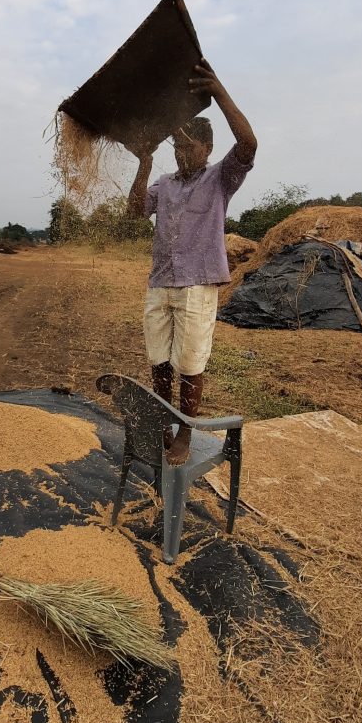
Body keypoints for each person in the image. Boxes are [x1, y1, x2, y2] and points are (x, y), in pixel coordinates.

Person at [126, 59, 258, 464]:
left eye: (190, 148)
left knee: (190, 362)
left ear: (208, 149)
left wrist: (217, 90)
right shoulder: (164, 185)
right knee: (159, 361)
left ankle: (185, 430)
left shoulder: (220, 178)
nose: (183, 154)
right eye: (178, 148)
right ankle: (163, 424)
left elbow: (249, 144)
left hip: (199, 284)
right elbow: (133, 211)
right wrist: (145, 161)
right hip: (160, 283)